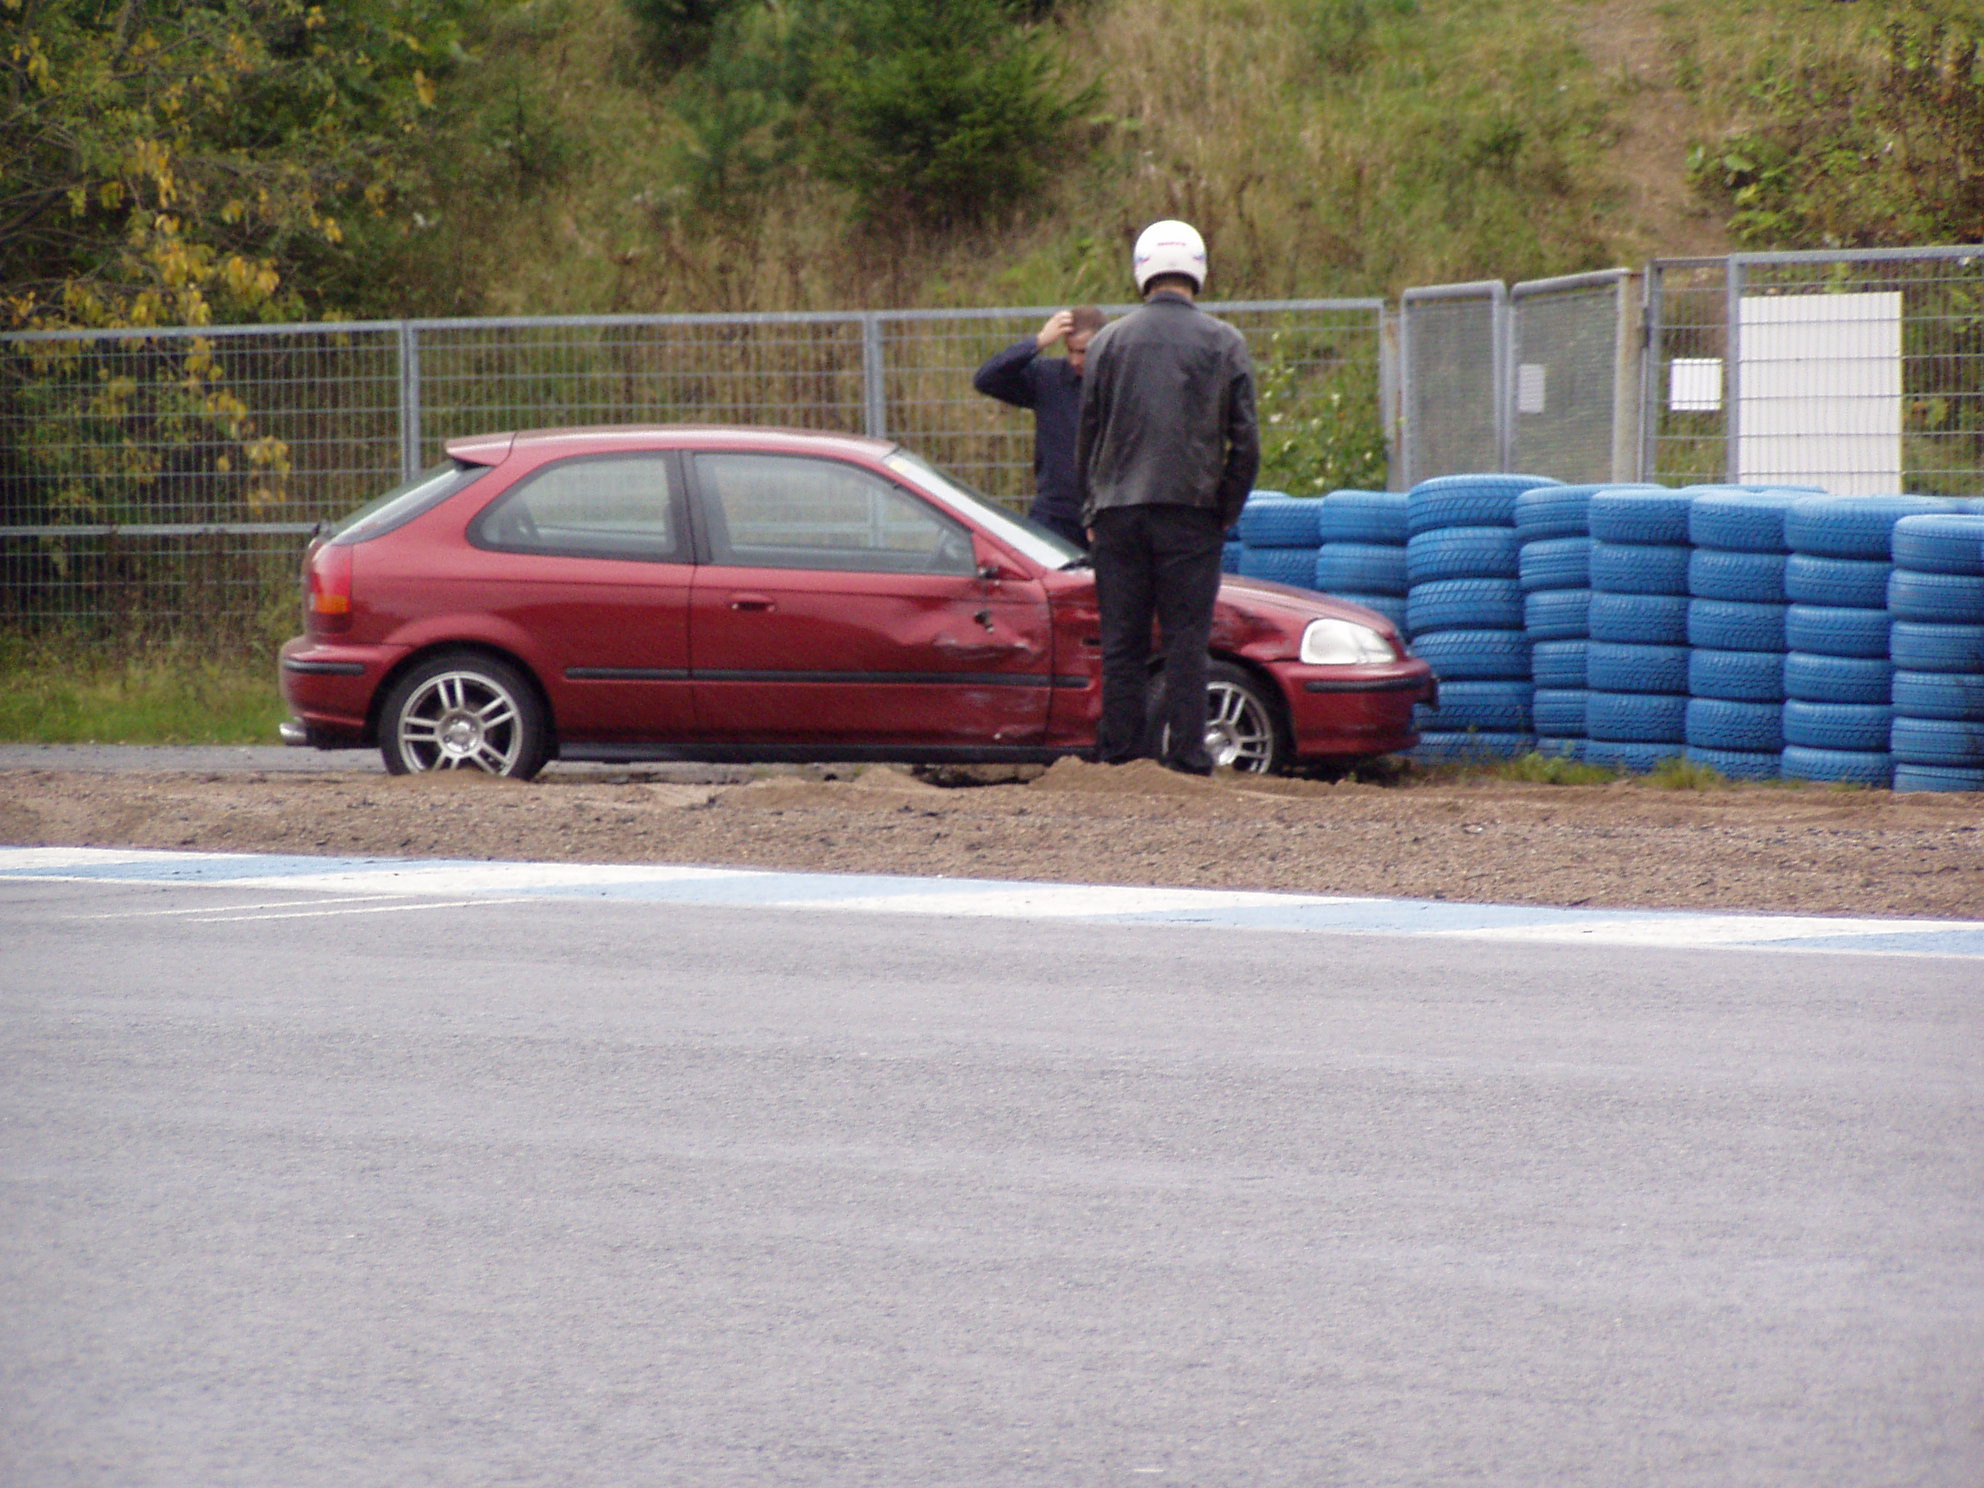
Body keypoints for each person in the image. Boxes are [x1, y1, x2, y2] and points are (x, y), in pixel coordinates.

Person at [1075, 219, 1259, 775]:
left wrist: (1092, 507)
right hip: (1191, 512)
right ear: (1198, 271)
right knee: (1186, 643)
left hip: (1118, 513)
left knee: (1122, 643)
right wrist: (1222, 511)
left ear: (1142, 271)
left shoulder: (1107, 341)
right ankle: (1186, 756)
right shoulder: (1225, 342)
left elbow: (1087, 435)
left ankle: (1120, 758)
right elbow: (1246, 442)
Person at [972, 305, 1105, 548]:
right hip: (1054, 515)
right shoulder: (1048, 377)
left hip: (1106, 516)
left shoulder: (1120, 381)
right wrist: (1038, 342)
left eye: (1084, 352)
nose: (1075, 360)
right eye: (1070, 350)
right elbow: (986, 379)